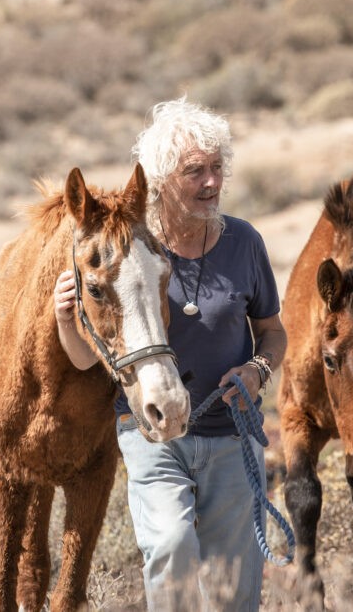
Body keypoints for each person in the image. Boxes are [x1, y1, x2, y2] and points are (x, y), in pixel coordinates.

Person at [53, 97, 287, 610]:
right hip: (153, 435)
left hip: (232, 433)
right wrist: (66, 317)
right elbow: (85, 361)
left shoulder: (244, 242)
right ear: (160, 181)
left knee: (233, 589)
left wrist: (257, 369)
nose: (212, 182)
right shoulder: (130, 249)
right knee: (170, 547)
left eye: (217, 168)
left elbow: (273, 332)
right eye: (195, 171)